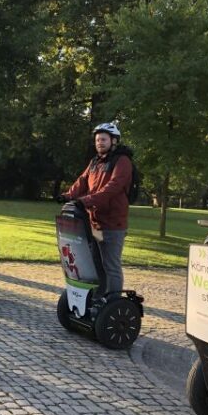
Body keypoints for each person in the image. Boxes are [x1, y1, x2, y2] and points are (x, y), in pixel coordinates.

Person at [58, 122, 133, 294]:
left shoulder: (122, 161)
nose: (100, 143)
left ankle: (113, 301)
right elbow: (82, 182)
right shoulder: (95, 162)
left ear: (114, 141)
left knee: (111, 265)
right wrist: (68, 195)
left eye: (104, 139)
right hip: (95, 223)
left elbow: (112, 188)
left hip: (113, 224)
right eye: (98, 140)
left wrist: (85, 201)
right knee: (95, 263)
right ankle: (100, 297)